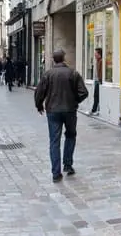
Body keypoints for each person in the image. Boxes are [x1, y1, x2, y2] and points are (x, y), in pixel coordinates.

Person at [35, 50, 88, 182]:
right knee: (70, 136)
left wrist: (39, 105)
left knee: (54, 141)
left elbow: (39, 92)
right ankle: (68, 165)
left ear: (54, 60)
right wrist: (74, 101)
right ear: (64, 59)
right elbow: (84, 92)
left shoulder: (48, 74)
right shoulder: (73, 73)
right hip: (70, 110)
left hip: (53, 111)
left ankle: (55, 173)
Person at [90, 47, 103, 115]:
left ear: (99, 54)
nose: (94, 55)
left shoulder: (101, 61)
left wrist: (100, 81)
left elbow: (101, 72)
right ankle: (95, 110)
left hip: (99, 81)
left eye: (95, 53)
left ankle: (94, 110)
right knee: (96, 96)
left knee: (96, 96)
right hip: (97, 81)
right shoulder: (97, 61)